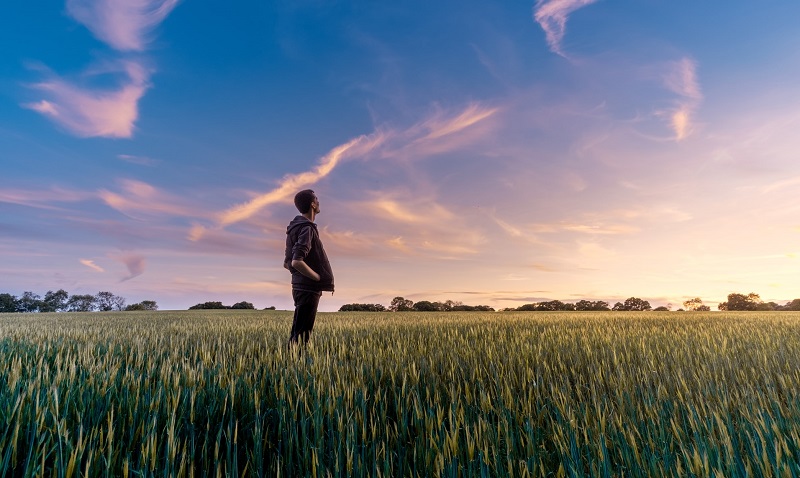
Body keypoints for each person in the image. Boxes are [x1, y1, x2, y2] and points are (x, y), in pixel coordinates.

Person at [284, 189, 334, 347]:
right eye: (317, 199)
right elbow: (296, 261)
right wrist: (317, 278)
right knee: (303, 334)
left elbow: (287, 262)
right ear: (312, 204)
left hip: (299, 286)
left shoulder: (294, 228)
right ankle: (295, 367)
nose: (319, 202)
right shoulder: (307, 228)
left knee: (298, 331)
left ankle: (291, 363)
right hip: (308, 288)